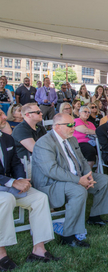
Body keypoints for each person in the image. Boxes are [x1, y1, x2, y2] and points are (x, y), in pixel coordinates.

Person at [32, 113, 108, 248]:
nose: (73, 128)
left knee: (104, 180)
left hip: (74, 177)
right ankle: (68, 235)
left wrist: (87, 174)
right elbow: (51, 170)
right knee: (78, 191)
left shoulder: (72, 139)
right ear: (57, 127)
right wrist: (78, 180)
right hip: (51, 184)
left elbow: (81, 159)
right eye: (70, 125)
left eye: (74, 124)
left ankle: (95, 217)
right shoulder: (44, 143)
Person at [0, 110, 59, 269]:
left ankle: (39, 249)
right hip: (5, 187)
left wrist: (20, 179)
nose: (5, 117)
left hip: (9, 184)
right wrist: (12, 182)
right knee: (6, 200)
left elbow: (15, 163)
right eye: (0, 114)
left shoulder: (6, 138)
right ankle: (1, 253)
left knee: (39, 198)